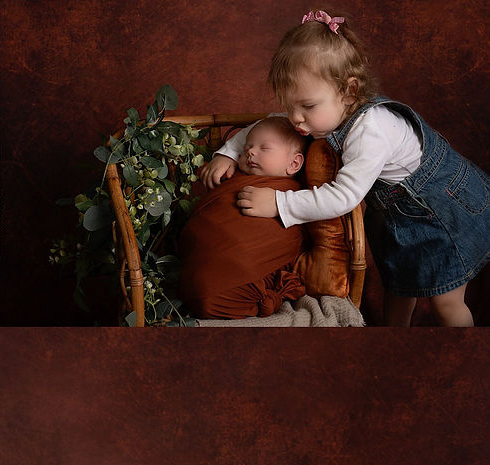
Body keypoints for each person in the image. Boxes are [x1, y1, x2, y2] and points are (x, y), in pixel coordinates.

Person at [200, 10, 490, 326]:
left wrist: (279, 203)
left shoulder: (371, 131)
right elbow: (269, 125)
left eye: (307, 106)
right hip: (401, 212)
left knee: (446, 301)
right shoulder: (321, 113)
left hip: (442, 207)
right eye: (290, 106)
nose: (295, 118)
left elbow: (343, 197)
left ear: (349, 91)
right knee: (400, 284)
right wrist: (229, 152)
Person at [178, 116, 308, 318]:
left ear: (294, 163)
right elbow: (211, 219)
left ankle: (235, 289)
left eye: (264, 148)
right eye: (247, 146)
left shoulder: (296, 197)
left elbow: (282, 239)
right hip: (210, 261)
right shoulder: (233, 178)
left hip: (248, 266)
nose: (251, 151)